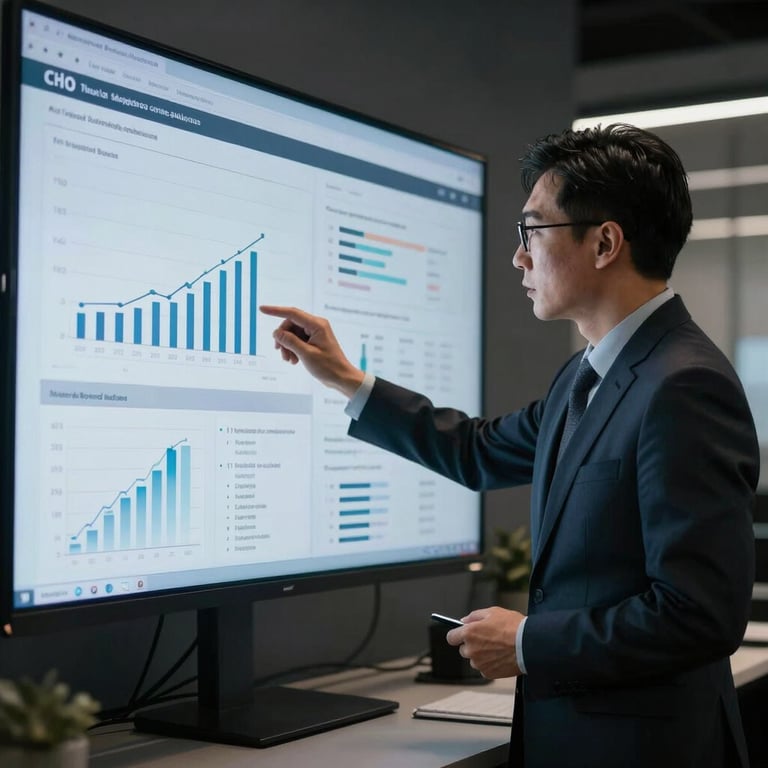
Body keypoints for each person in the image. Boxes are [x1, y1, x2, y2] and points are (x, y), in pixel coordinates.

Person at [260, 123, 759, 768]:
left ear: (605, 241)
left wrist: (528, 642)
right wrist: (350, 382)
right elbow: (477, 451)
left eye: (533, 231)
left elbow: (699, 614)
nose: (519, 257)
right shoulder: (588, 377)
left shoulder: (683, 384)